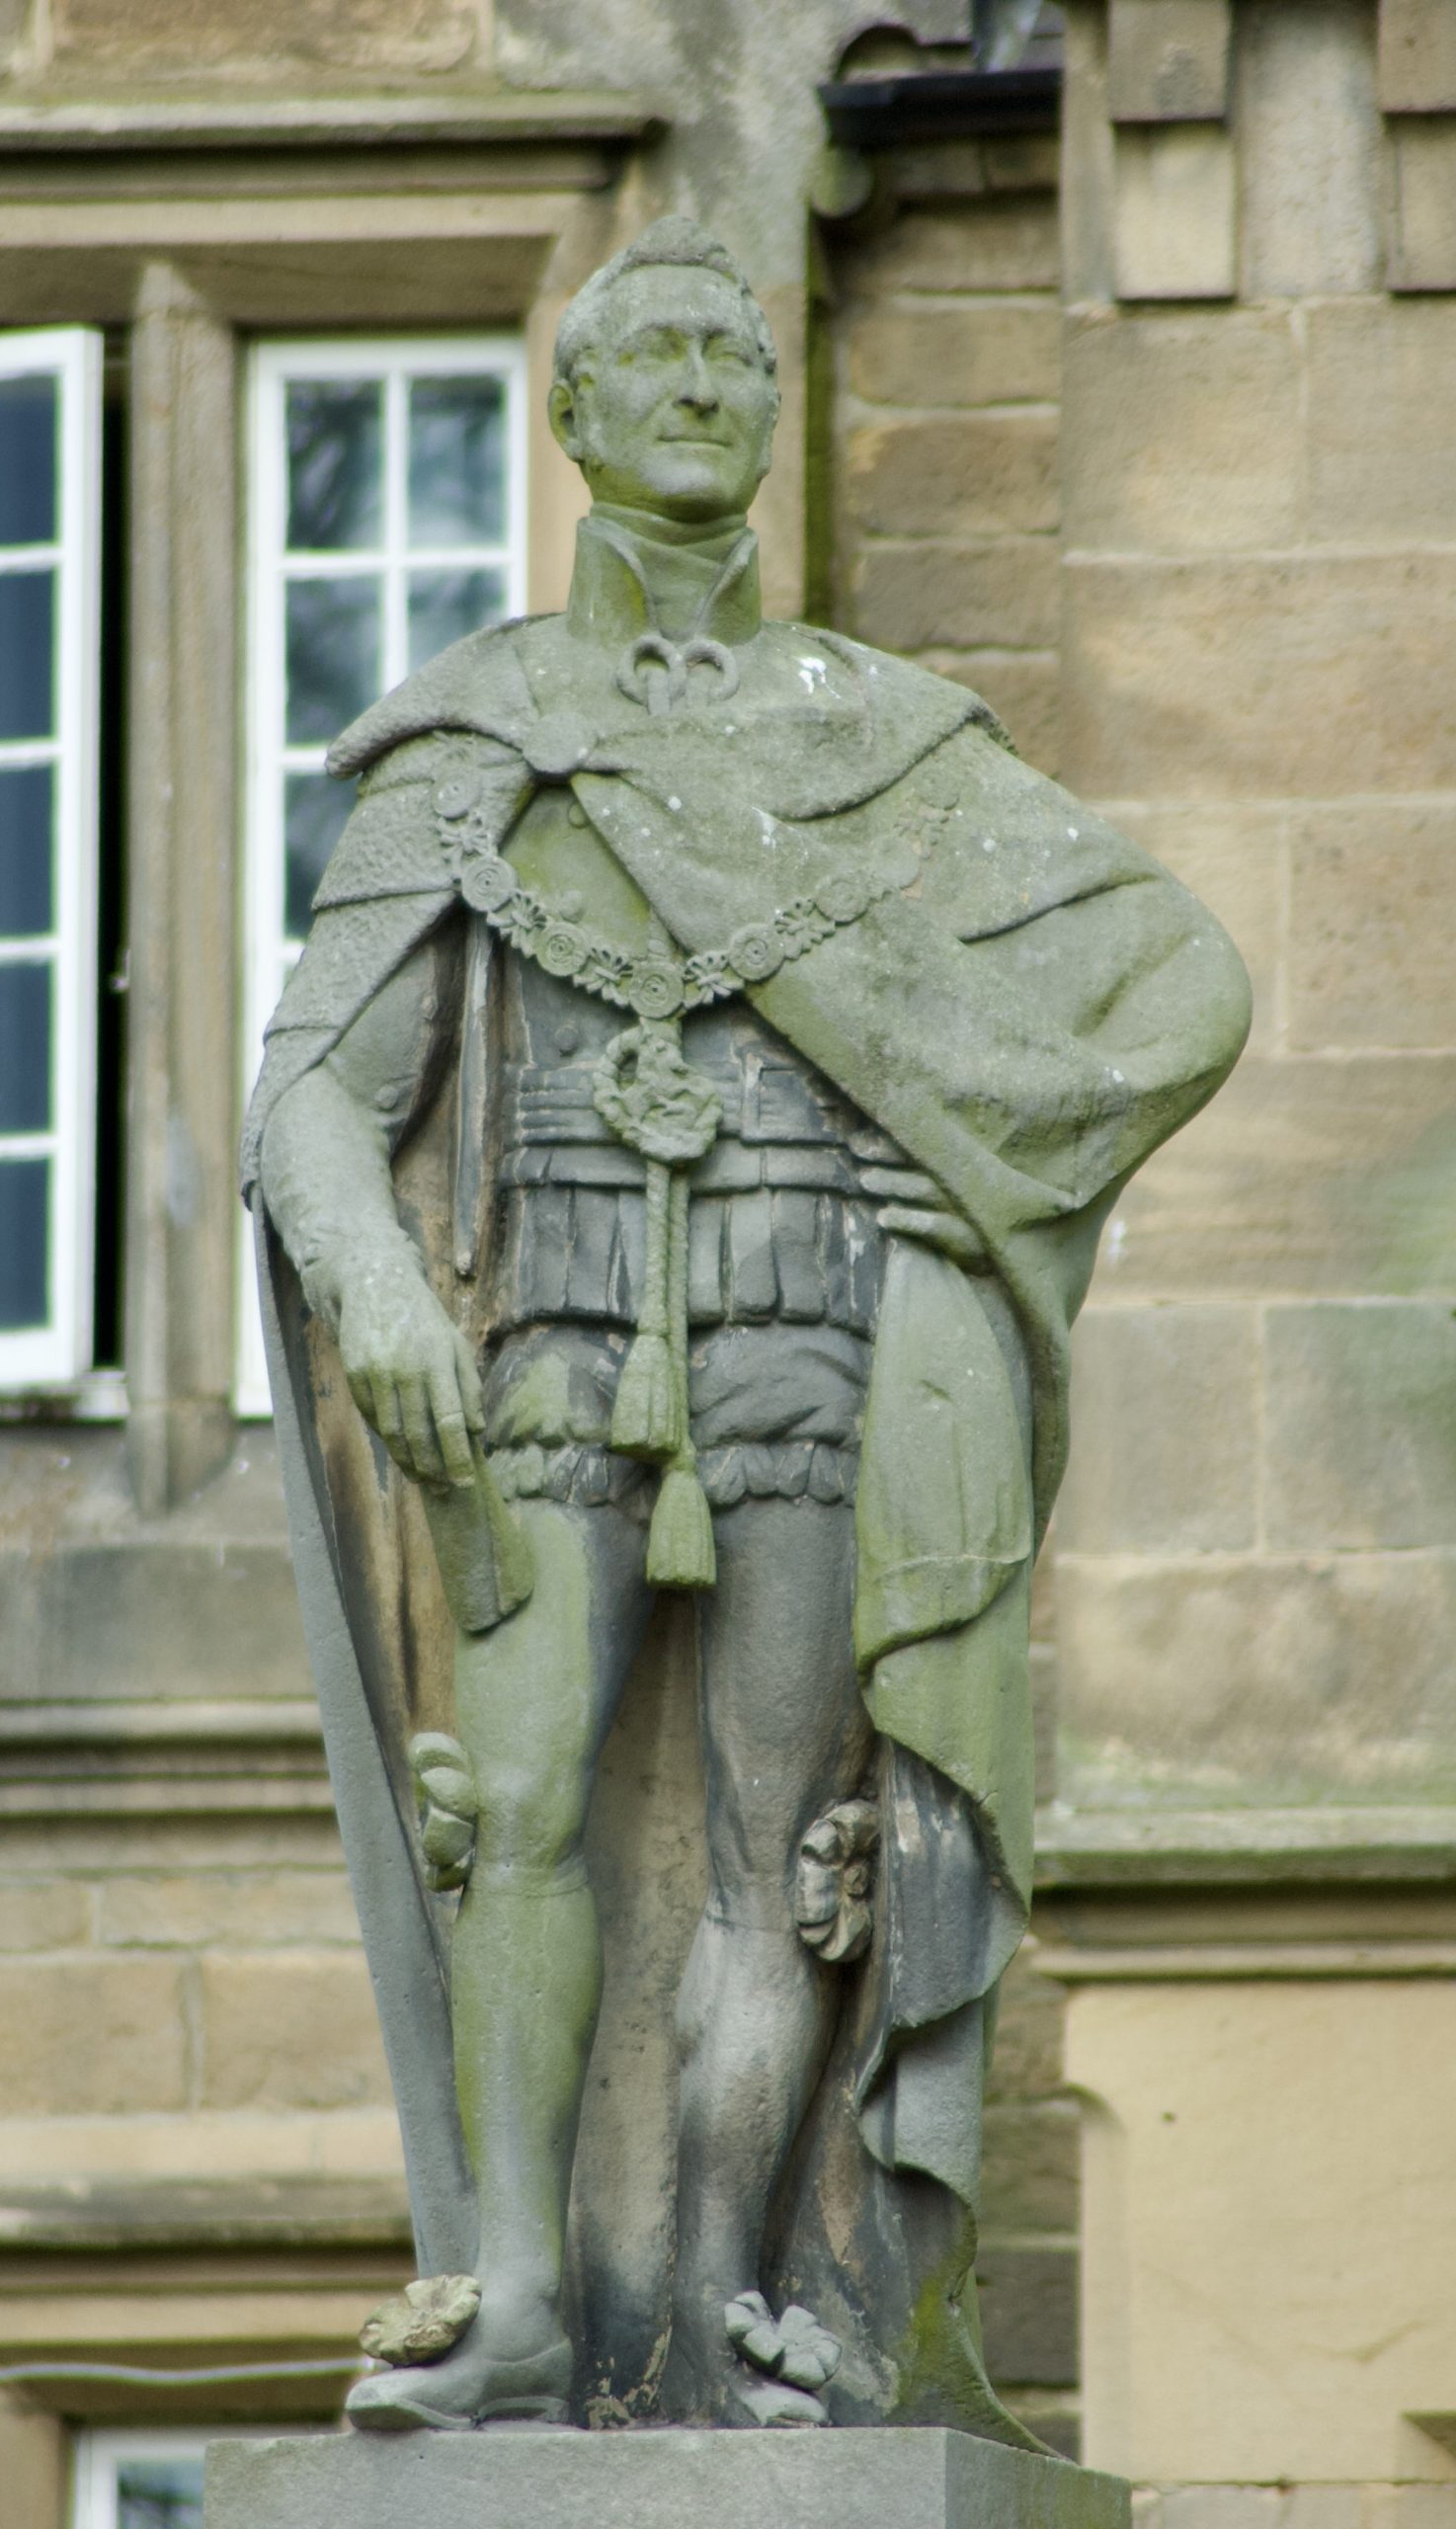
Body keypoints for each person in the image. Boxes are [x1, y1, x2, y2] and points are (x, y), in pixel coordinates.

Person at [245, 218, 1251, 2435]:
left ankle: (708, 2294)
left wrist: (996, 1145)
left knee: (778, 1840)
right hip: (551, 1339)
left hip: (814, 1331)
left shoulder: (896, 742)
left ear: (762, 415)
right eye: (651, 352)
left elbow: (1182, 982)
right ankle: (522, 2293)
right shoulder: (473, 738)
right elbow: (314, 1084)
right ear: (575, 413)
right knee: (519, 1806)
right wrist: (379, 1275)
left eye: (729, 348)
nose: (698, 377)